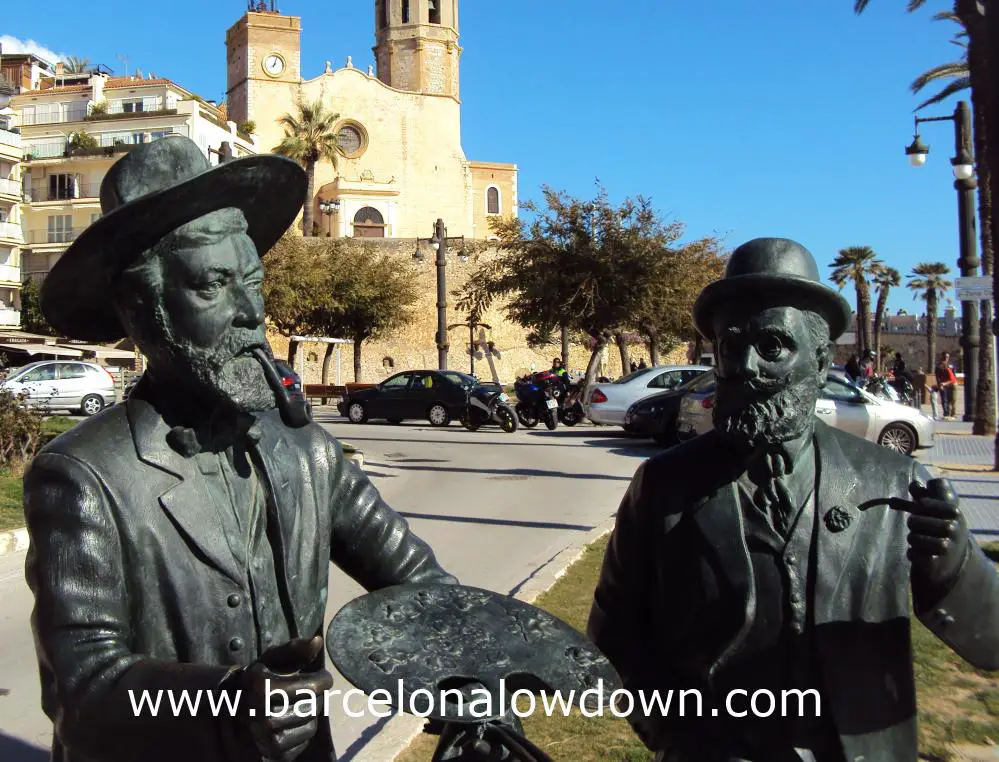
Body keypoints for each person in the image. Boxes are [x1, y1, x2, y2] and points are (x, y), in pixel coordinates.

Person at [23, 136, 457, 762]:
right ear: (144, 310)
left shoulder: (308, 452)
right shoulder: (84, 476)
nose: (250, 310)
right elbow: (83, 689)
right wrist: (229, 704)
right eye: (214, 285)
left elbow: (420, 584)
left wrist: (470, 677)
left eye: (251, 279)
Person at [587, 237, 999, 762]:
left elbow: (991, 645)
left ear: (821, 359)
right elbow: (615, 635)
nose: (745, 366)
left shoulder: (894, 482)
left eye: (773, 346)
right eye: (730, 345)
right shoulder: (665, 487)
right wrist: (676, 735)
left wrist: (952, 566)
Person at [935, 351, 957, 420]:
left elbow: (953, 376)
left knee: (951, 400)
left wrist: (952, 383)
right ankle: (946, 413)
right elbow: (937, 376)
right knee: (944, 399)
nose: (946, 358)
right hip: (943, 384)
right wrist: (940, 385)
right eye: (945, 357)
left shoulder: (950, 366)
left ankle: (951, 414)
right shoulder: (938, 366)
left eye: (947, 357)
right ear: (942, 357)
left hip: (950, 384)